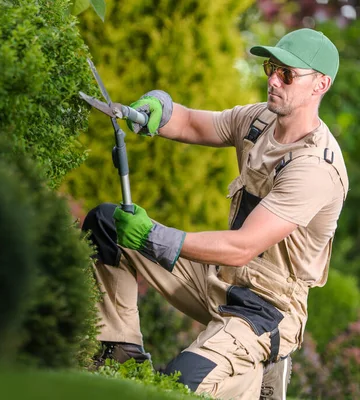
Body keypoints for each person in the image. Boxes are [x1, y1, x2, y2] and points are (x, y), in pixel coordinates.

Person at [82, 28, 348, 400]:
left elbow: (242, 246)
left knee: (180, 386)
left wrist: (152, 236)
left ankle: (256, 378)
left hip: (265, 308)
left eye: (287, 74)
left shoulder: (315, 169)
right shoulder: (259, 121)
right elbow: (192, 123)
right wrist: (158, 110)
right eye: (271, 67)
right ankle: (119, 357)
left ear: (321, 84)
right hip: (219, 278)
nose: (273, 79)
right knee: (106, 225)